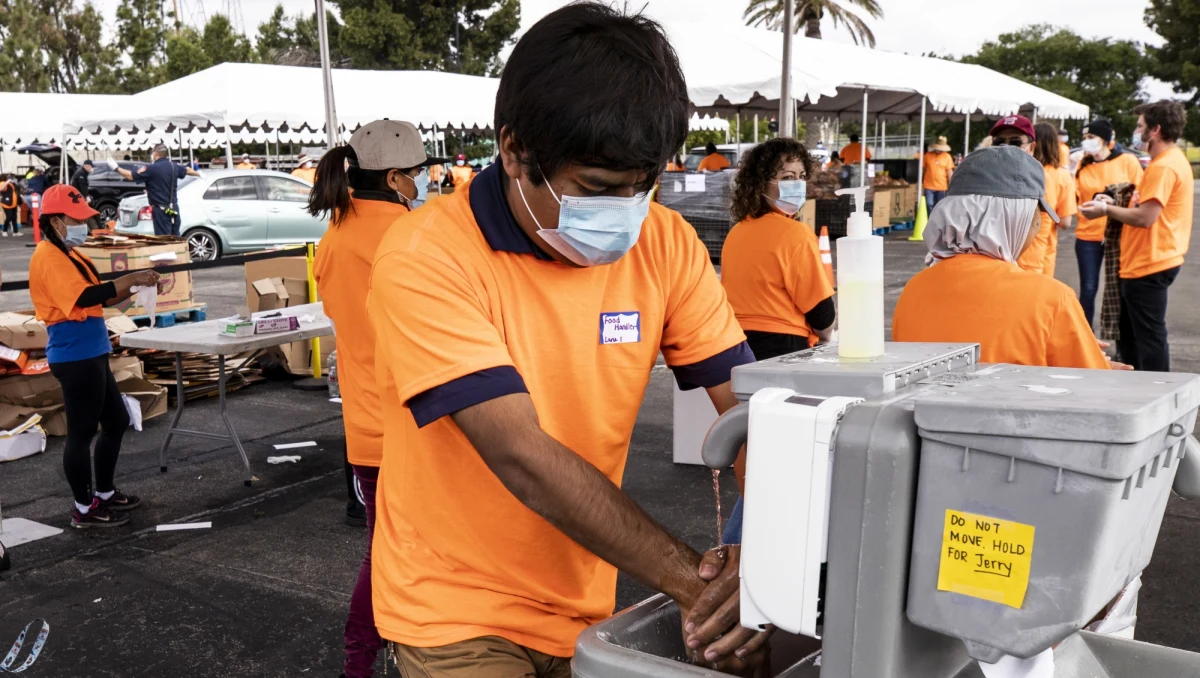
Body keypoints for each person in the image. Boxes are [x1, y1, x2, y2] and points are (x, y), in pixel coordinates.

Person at [366, 4, 767, 676]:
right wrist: (698, 586)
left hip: (586, 601)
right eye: (598, 188)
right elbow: (521, 454)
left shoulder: (665, 243)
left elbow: (751, 410)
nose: (626, 211)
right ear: (514, 150)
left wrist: (769, 552)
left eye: (644, 187)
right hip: (457, 610)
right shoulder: (427, 255)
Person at [310, 119, 441, 678]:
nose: (425, 180)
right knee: (401, 553)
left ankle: (378, 655)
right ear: (394, 177)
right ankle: (360, 660)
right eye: (419, 172)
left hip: (365, 426)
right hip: (416, 423)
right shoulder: (412, 234)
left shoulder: (337, 234)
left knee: (387, 547)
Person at [893, 146, 1108, 369]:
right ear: (1013, 219)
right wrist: (1103, 365)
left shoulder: (913, 290)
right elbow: (1091, 381)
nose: (1036, 228)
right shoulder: (1052, 300)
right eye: (1036, 217)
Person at [30, 184, 161, 528]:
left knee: (115, 421)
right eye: (77, 220)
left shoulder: (70, 254)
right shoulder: (48, 256)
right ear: (56, 221)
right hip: (75, 356)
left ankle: (103, 493)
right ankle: (83, 508)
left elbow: (100, 298)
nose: (85, 226)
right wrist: (131, 277)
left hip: (91, 350)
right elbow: (85, 298)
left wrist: (137, 288)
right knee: (81, 433)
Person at [1080, 101, 1193, 372]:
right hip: (1148, 260)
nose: (1136, 131)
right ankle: (1140, 382)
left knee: (1147, 338)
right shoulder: (1166, 162)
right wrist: (1115, 202)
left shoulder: (1163, 167)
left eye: (1140, 126)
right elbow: (1143, 206)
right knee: (1134, 336)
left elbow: (1145, 217)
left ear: (1155, 130)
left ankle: (1156, 386)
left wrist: (1106, 210)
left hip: (1149, 263)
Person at [722, 137, 835, 358]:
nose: (798, 184)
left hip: (735, 345)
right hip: (783, 348)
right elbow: (821, 314)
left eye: (802, 176)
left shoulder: (736, 233)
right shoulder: (796, 234)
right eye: (787, 177)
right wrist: (826, 336)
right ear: (760, 184)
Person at [1073, 118, 1144, 327]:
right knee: (1088, 289)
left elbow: (1139, 195)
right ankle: (1085, 335)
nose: (1086, 141)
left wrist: (1114, 201)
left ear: (1105, 139)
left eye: (1091, 137)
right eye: (1084, 137)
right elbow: (1074, 198)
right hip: (1088, 236)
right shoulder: (1082, 166)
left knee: (1120, 288)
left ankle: (1123, 336)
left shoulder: (1127, 161)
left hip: (1119, 234)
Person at [1017, 122, 1077, 276]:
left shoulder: (1020, 171)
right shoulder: (1062, 176)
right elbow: (1065, 222)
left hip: (1012, 253)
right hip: (1042, 255)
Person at [116, 145, 200, 236]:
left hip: (161, 211)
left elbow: (130, 176)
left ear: (155, 154)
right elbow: (187, 170)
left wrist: (116, 168)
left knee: (163, 240)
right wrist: (198, 174)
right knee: (175, 240)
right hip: (174, 209)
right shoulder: (173, 166)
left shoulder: (151, 169)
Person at [921, 136, 954, 210]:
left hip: (942, 186)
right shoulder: (927, 156)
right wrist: (920, 182)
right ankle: (930, 216)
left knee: (939, 205)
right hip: (928, 185)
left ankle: (937, 217)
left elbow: (949, 172)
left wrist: (951, 184)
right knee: (929, 204)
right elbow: (923, 170)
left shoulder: (947, 157)